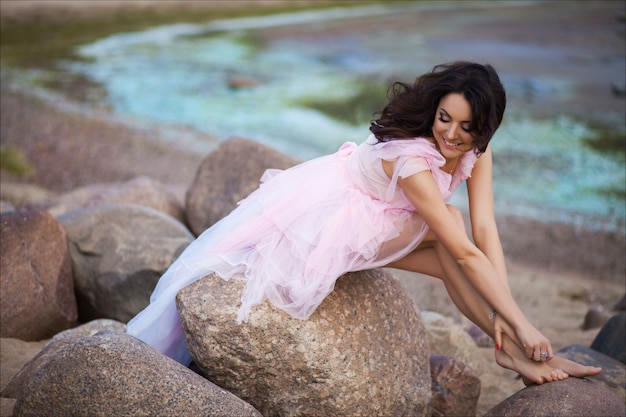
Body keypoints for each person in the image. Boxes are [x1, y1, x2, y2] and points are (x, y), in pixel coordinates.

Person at [127, 61, 601, 384]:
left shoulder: (476, 151)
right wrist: (524, 323)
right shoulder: (412, 160)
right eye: (444, 118)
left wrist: (515, 319)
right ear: (434, 110)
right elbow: (463, 246)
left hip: (384, 219)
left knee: (450, 245)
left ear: (486, 126)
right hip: (333, 221)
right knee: (449, 229)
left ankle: (508, 350)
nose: (452, 135)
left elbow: (487, 232)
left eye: (467, 126)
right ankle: (515, 347)